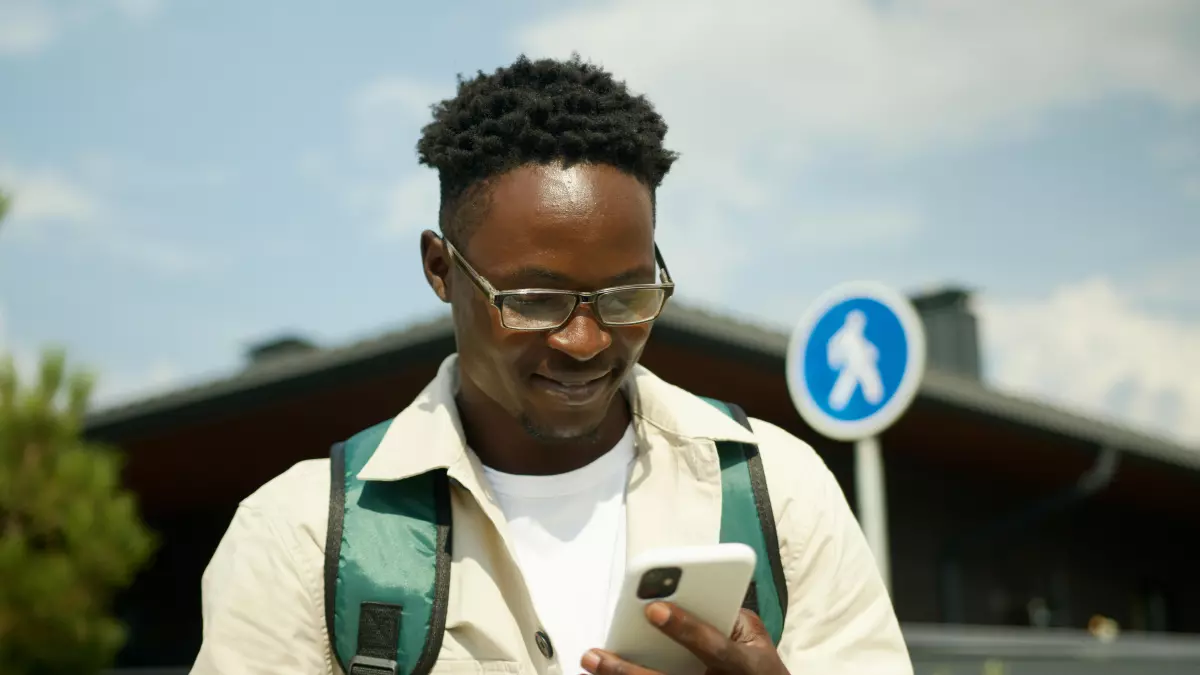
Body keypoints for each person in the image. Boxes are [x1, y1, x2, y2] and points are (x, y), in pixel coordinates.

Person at [191, 55, 912, 675]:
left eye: (628, 295)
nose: (586, 340)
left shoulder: (777, 494)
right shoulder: (308, 536)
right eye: (535, 300)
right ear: (441, 269)